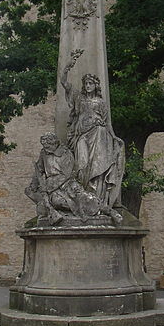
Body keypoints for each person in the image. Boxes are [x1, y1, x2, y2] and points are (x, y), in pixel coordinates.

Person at [60, 52, 125, 212]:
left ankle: (96, 199)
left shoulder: (100, 102)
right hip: (82, 136)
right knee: (81, 165)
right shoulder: (78, 98)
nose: (88, 85)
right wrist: (69, 65)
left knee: (98, 167)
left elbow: (107, 121)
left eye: (91, 83)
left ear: (96, 85)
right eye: (86, 83)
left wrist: (113, 136)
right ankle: (82, 198)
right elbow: (63, 82)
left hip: (99, 135)